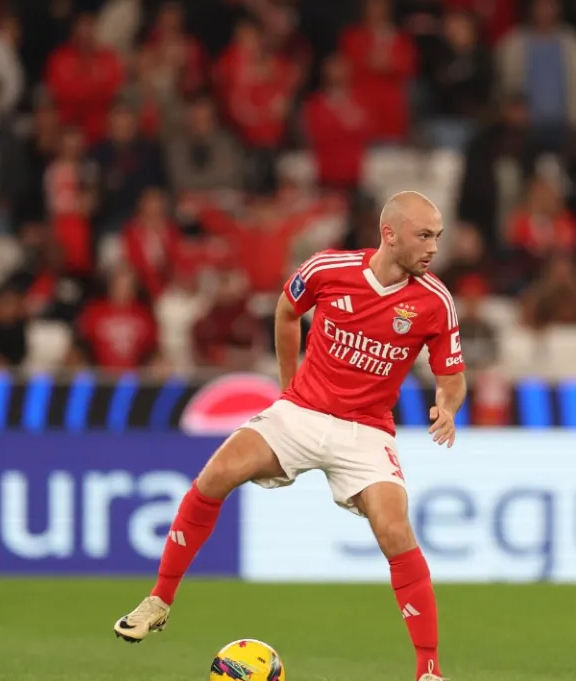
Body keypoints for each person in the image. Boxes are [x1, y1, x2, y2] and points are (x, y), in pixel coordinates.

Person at [113, 192, 467, 681]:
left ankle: (429, 671)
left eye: (438, 238)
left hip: (366, 432)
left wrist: (446, 407)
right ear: (390, 234)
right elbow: (285, 311)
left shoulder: (434, 301)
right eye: (424, 235)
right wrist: (287, 390)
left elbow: (452, 376)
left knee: (394, 530)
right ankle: (158, 600)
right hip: (301, 411)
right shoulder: (328, 267)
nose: (433, 248)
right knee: (217, 473)